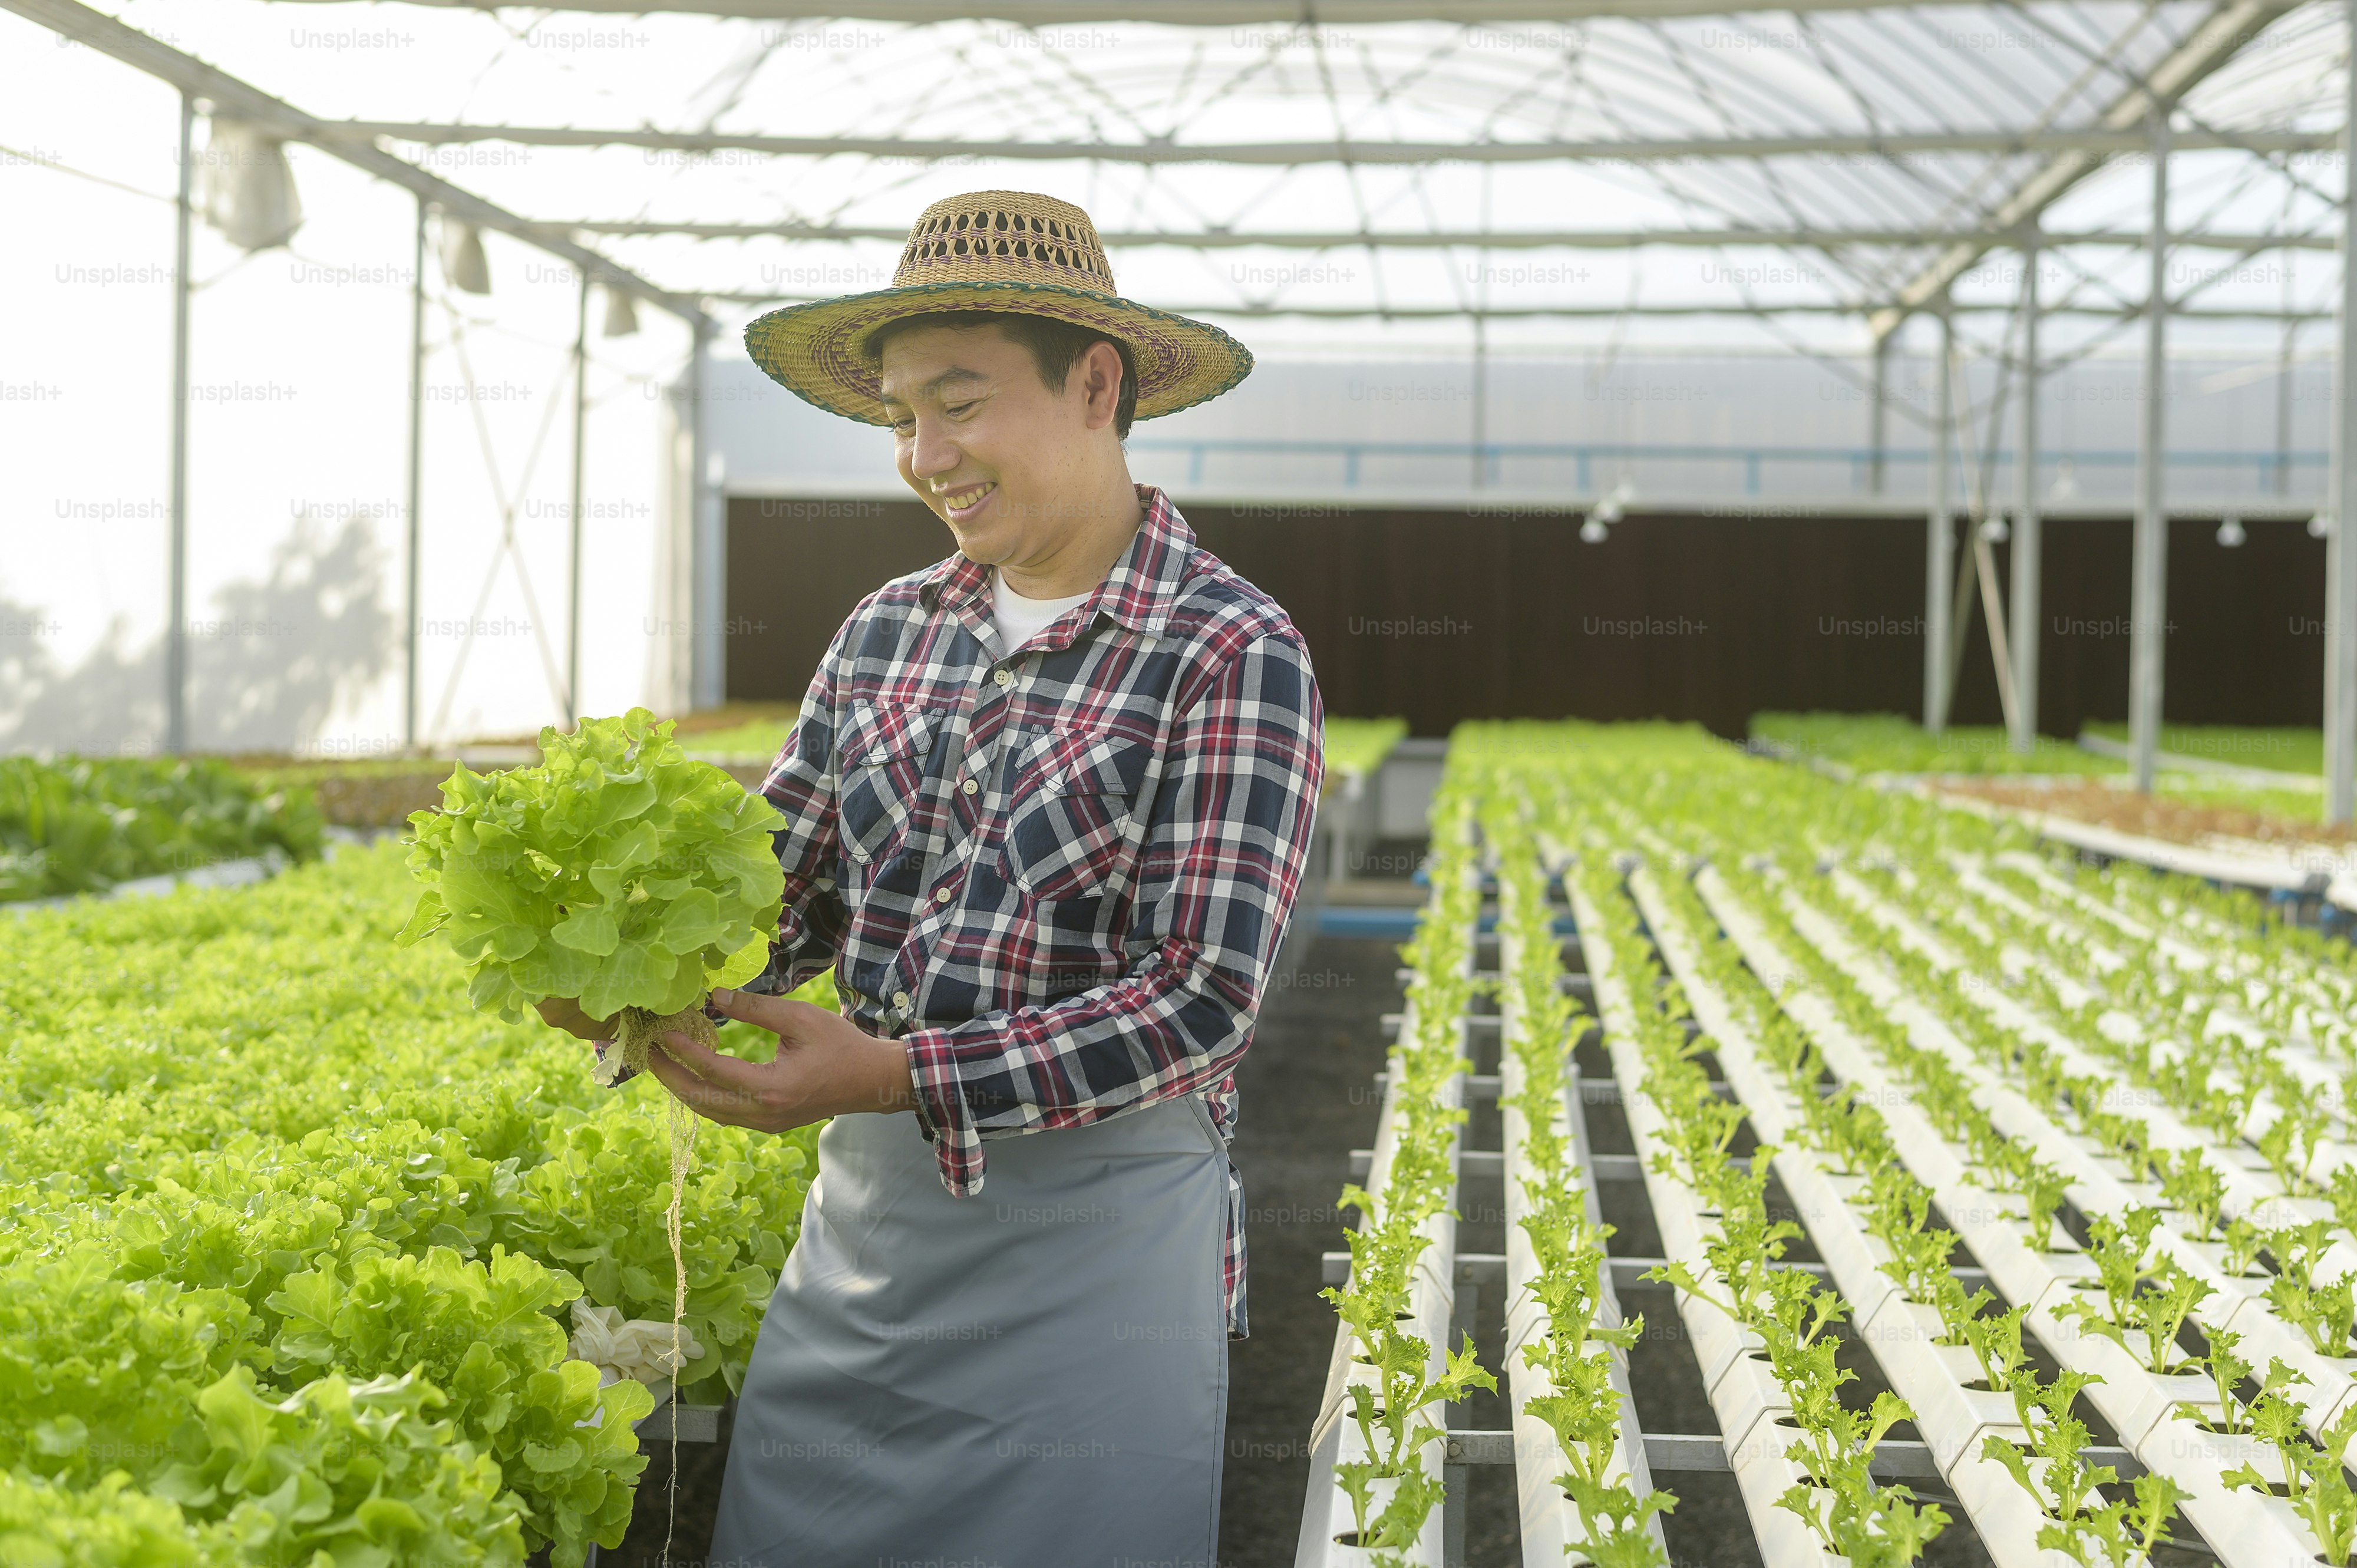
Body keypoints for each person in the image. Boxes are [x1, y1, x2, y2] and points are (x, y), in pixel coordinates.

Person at [536, 189, 1324, 1567]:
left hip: (1097, 1262)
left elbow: (1199, 999)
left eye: (957, 404)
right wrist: (636, 979)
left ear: (1094, 384)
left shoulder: (1226, 647)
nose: (922, 453)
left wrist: (897, 1073)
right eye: (902, 414)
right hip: (868, 1241)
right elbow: (786, 893)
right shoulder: (887, 632)